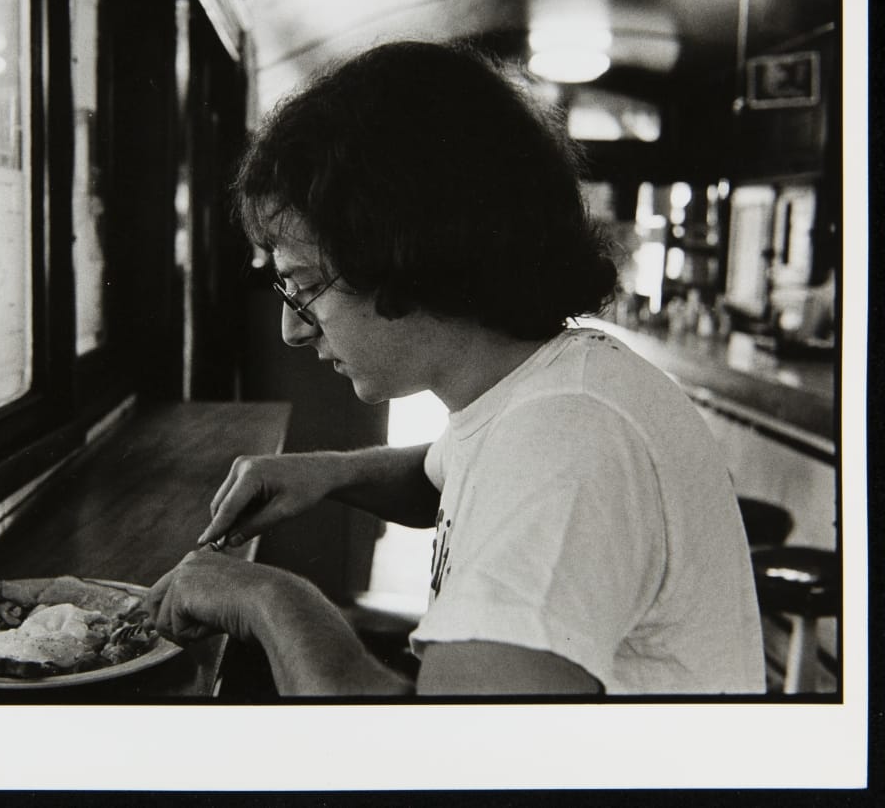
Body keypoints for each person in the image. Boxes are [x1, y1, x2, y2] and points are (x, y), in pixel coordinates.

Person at [143, 40, 766, 697]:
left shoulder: (567, 442)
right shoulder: (541, 385)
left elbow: (447, 748)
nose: (292, 329)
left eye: (303, 286)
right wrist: (330, 474)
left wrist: (268, 600)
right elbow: (442, 473)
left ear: (404, 256)